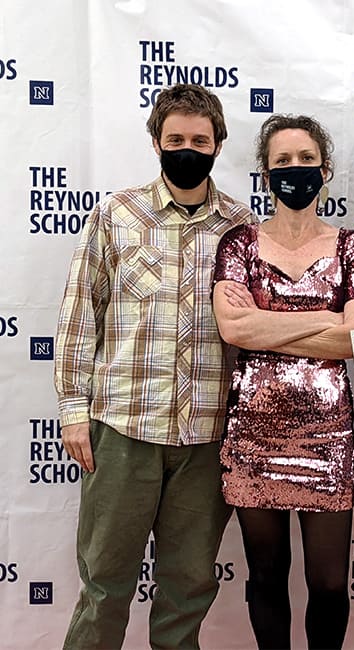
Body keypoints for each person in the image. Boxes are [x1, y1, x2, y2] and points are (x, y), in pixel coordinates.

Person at [54, 83, 255, 650]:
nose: (187, 148)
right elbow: (79, 316)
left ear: (218, 144)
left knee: (187, 590)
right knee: (104, 586)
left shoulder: (241, 230)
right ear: (156, 142)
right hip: (122, 432)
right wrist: (73, 411)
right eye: (175, 139)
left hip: (207, 439)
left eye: (199, 139)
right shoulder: (116, 216)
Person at [212, 113, 354, 650]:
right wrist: (326, 321)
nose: (295, 169)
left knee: (329, 583)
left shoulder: (351, 246)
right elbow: (234, 328)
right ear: (265, 173)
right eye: (282, 160)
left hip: (327, 435)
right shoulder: (238, 244)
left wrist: (269, 325)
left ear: (324, 171)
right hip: (253, 434)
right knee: (265, 576)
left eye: (306, 159)